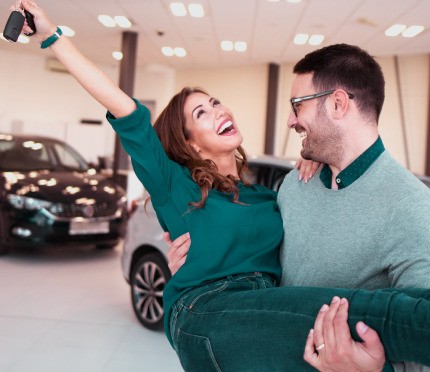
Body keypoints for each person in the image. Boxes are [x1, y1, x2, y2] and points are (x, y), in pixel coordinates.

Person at [14, 2, 430, 370]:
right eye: (201, 112)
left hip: (263, 316)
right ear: (188, 141)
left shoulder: (275, 195)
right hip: (205, 311)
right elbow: (128, 112)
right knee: (367, 314)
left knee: (336, 336)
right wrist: (53, 37)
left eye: (214, 102)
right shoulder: (175, 187)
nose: (217, 110)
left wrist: (311, 153)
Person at [166, 44, 430, 371]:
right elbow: (263, 287)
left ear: (337, 104)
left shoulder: (413, 208)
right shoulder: (294, 185)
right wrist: (201, 265)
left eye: (297, 105)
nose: (291, 120)